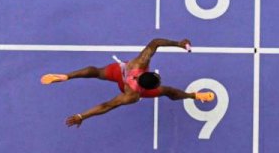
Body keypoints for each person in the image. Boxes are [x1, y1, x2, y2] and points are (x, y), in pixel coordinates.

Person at [41, 37, 215, 129]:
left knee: (96, 72)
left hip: (121, 71)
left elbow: (155, 42)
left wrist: (179, 43)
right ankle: (194, 95)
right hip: (127, 87)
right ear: (149, 85)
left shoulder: (139, 63)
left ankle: (67, 76)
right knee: (168, 91)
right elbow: (106, 106)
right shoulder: (133, 96)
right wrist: (81, 116)